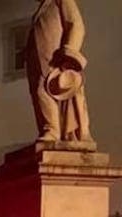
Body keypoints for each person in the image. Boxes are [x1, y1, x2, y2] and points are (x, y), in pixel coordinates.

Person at [25, 0, 92, 143]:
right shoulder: (41, 9)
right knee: (40, 94)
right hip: (39, 62)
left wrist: (69, 52)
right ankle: (49, 129)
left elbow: (76, 25)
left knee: (43, 91)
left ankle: (52, 130)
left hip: (56, 60)